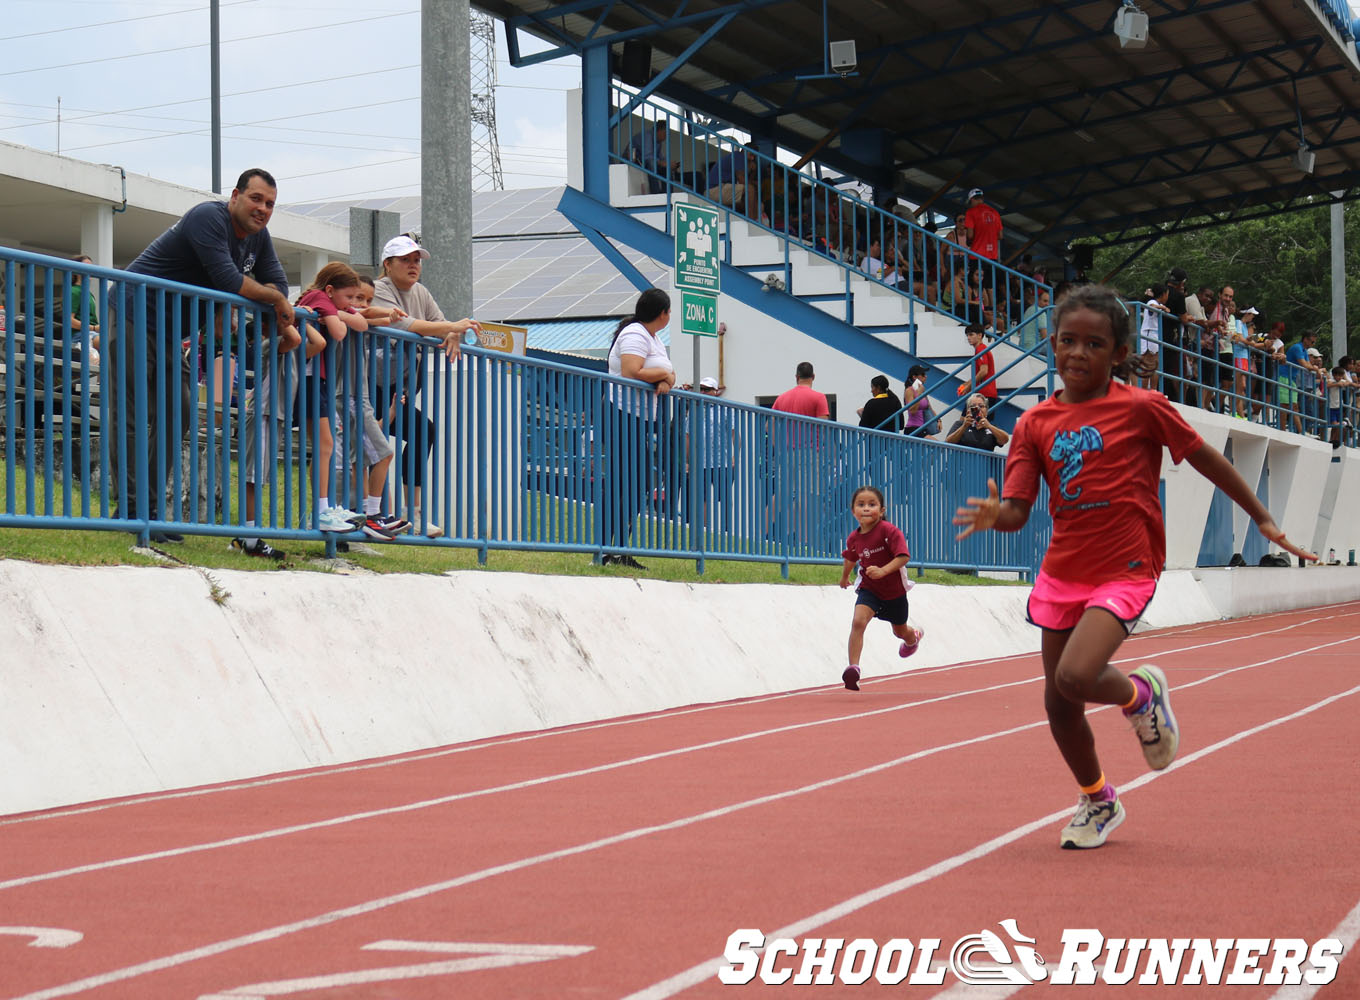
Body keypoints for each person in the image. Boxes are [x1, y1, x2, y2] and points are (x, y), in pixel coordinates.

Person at [953, 283, 1315, 849]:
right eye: (1067, 341)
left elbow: (1207, 459)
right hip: (1063, 571)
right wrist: (996, 515)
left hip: (1126, 565)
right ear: (1053, 344)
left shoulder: (1142, 408)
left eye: (1094, 344)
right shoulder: (1033, 424)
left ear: (1119, 352)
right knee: (1058, 702)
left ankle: (1140, 696)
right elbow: (1018, 512)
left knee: (1075, 676)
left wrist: (1263, 518)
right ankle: (1098, 799)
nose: (1078, 353)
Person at [110, 167, 301, 551]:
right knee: (132, 415)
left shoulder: (258, 238)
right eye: (256, 198)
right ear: (235, 196)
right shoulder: (208, 217)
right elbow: (230, 279)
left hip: (171, 331)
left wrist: (273, 297)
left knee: (178, 411)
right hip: (134, 311)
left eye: (270, 204)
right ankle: (133, 511)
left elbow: (277, 280)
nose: (263, 209)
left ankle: (148, 510)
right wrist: (277, 301)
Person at [371, 233, 481, 538]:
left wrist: (452, 333)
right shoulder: (380, 289)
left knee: (422, 431)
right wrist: (450, 328)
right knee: (373, 444)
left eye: (417, 260)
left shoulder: (421, 291)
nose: (413, 265)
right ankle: (371, 514)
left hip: (400, 388)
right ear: (388, 264)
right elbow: (407, 325)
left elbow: (440, 325)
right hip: (370, 384)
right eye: (405, 260)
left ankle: (413, 514)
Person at [598, 286, 675, 570]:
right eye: (669, 311)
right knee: (624, 482)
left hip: (638, 418)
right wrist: (663, 374)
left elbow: (671, 374)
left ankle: (618, 548)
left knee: (638, 481)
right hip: (620, 414)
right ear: (662, 313)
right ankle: (606, 549)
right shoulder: (634, 334)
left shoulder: (654, 338)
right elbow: (632, 371)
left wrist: (666, 378)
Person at [294, 262, 370, 534]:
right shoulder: (317, 297)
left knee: (326, 444)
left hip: (318, 379)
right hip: (308, 378)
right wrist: (337, 316)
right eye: (348, 296)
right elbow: (339, 332)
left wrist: (337, 313)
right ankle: (322, 510)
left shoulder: (328, 303)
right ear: (329, 290)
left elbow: (361, 323)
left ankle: (324, 508)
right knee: (325, 443)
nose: (352, 302)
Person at [839, 485, 925, 691]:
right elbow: (851, 558)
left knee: (900, 631)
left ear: (882, 510)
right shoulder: (854, 538)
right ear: (853, 511)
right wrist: (844, 577)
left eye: (872, 504)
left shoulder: (889, 531)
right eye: (861, 504)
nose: (866, 508)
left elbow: (903, 556)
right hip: (870, 589)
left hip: (894, 592)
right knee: (858, 622)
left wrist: (883, 571)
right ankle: (853, 669)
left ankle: (913, 638)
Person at [944, 393, 1010, 451]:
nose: (978, 409)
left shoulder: (991, 428)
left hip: (984, 461)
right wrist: (964, 426)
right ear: (968, 410)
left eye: (981, 406)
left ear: (986, 410)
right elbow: (948, 443)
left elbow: (1004, 440)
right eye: (973, 406)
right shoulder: (960, 424)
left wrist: (989, 426)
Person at [958, 323, 998, 401]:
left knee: (968, 409)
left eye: (971, 335)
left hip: (984, 394)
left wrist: (969, 386)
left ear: (980, 335)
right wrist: (967, 384)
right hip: (984, 393)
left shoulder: (980, 349)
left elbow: (983, 371)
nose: (968, 338)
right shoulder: (981, 348)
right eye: (967, 335)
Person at [963, 187, 1002, 262]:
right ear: (982, 199)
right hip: (992, 256)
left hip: (977, 254)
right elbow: (1000, 236)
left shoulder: (971, 212)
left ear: (972, 199)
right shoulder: (995, 212)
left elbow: (970, 235)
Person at [902, 364, 934, 437]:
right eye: (923, 374)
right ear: (914, 377)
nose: (926, 376)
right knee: (937, 444)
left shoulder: (922, 390)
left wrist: (938, 420)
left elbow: (929, 407)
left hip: (923, 428)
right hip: (913, 428)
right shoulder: (909, 390)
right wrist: (919, 394)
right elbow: (912, 411)